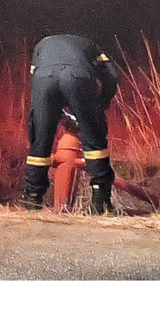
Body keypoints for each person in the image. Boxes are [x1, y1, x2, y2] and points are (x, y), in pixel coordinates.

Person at [22, 33, 120, 214]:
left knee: (40, 139)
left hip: (43, 78)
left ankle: (32, 197)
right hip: (77, 76)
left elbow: (43, 79)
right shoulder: (89, 44)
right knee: (94, 138)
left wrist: (57, 113)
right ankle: (101, 199)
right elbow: (111, 76)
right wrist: (101, 103)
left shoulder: (41, 44)